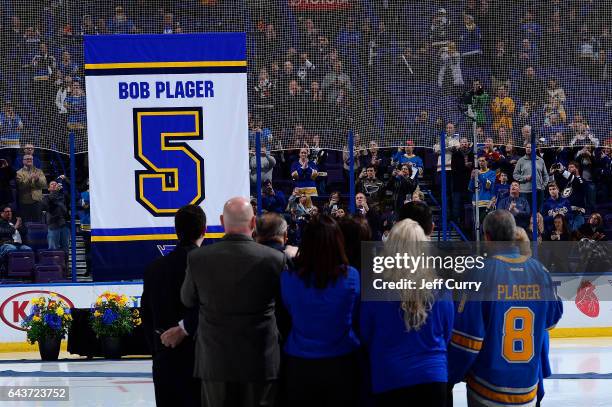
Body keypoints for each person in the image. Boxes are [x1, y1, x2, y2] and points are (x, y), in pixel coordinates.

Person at [448, 210, 563, 407]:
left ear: (487, 237)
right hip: (528, 389)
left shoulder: (479, 273)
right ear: (513, 234)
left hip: (487, 388)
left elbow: (467, 341)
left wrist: (449, 377)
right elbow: (553, 317)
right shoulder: (540, 271)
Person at [181, 197, 286, 407]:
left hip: (214, 362)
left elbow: (186, 299)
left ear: (221, 221)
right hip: (260, 361)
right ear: (253, 222)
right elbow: (286, 304)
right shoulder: (275, 259)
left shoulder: (198, 258)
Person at [360, 219, 453, 407]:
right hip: (432, 378)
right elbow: (447, 333)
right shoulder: (441, 289)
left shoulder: (375, 290)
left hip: (390, 377)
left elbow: (365, 333)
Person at [281, 215, 360, 407]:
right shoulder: (351, 276)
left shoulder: (287, 278)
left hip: (299, 364)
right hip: (341, 362)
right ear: (337, 241)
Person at [141, 205, 205, 407]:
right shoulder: (209, 266)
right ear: (204, 230)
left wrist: (159, 350)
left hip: (166, 359)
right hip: (203, 361)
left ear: (176, 231)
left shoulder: (154, 269)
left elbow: (146, 316)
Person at [513, 142, 549, 211]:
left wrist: (543, 186)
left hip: (538, 191)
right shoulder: (521, 161)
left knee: (538, 212)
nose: (528, 149)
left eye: (530, 147)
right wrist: (525, 178)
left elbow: (545, 175)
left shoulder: (540, 160)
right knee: (526, 212)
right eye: (527, 147)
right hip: (525, 191)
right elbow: (515, 175)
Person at [16, 155, 47, 223]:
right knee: (25, 223)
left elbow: (44, 184)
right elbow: (21, 186)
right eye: (27, 159)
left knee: (38, 223)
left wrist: (37, 179)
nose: (29, 160)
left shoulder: (39, 171)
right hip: (25, 202)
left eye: (31, 159)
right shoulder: (19, 173)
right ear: (23, 161)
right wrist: (29, 179)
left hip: (37, 202)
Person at [42, 179, 70, 255]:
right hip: (53, 226)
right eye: (52, 184)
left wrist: (65, 183)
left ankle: (65, 266)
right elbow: (49, 203)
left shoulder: (63, 197)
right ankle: (54, 266)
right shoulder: (46, 198)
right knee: (53, 250)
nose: (54, 185)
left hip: (64, 226)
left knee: (66, 250)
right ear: (48, 188)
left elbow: (71, 196)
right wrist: (55, 192)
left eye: (56, 184)